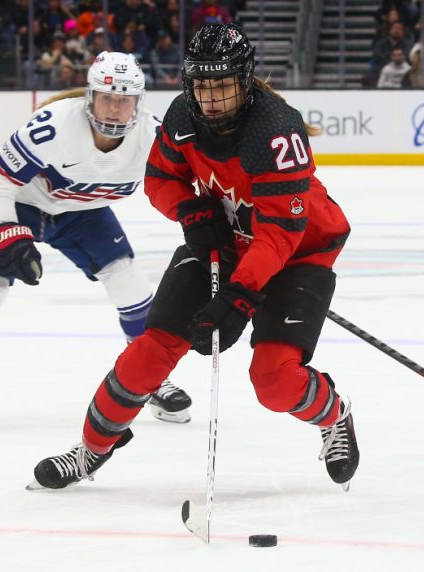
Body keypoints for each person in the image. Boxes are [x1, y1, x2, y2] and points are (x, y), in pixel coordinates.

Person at [30, 24, 359, 492]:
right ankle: (91, 448)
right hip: (225, 245)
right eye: (202, 86)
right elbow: (161, 178)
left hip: (298, 254)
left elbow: (281, 235)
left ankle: (335, 415)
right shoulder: (184, 115)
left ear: (244, 81)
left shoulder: (275, 133)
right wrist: (189, 210)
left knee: (273, 380)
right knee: (149, 350)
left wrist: (240, 297)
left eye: (222, 86)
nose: (212, 101)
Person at [0, 52, 193, 427]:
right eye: (107, 98)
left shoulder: (153, 138)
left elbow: (194, 180)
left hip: (81, 212)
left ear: (138, 104)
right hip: (21, 203)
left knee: (129, 282)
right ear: (91, 97)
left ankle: (148, 376)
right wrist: (7, 233)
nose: (114, 110)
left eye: (124, 101)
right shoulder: (55, 126)